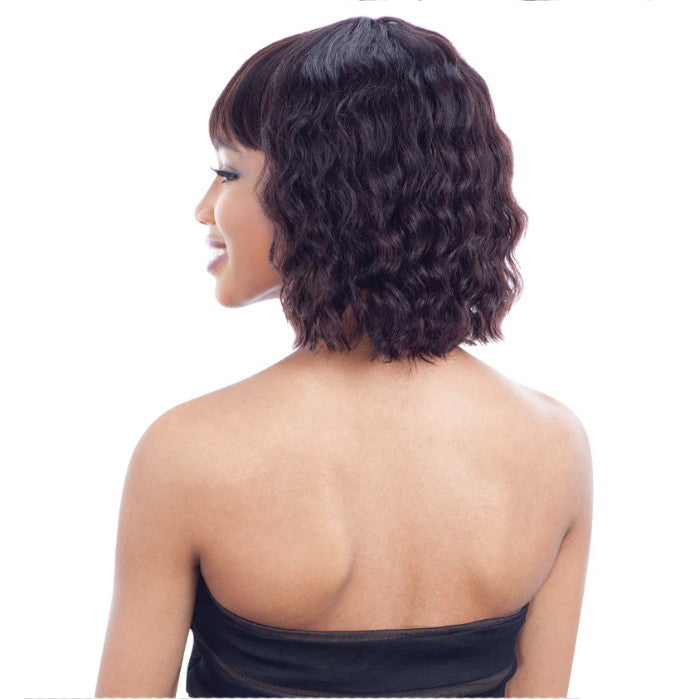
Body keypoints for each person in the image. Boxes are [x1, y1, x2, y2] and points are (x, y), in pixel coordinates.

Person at [95, 15, 592, 699]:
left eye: (227, 172)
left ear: (320, 193)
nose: (204, 209)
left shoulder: (189, 453)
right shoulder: (554, 444)